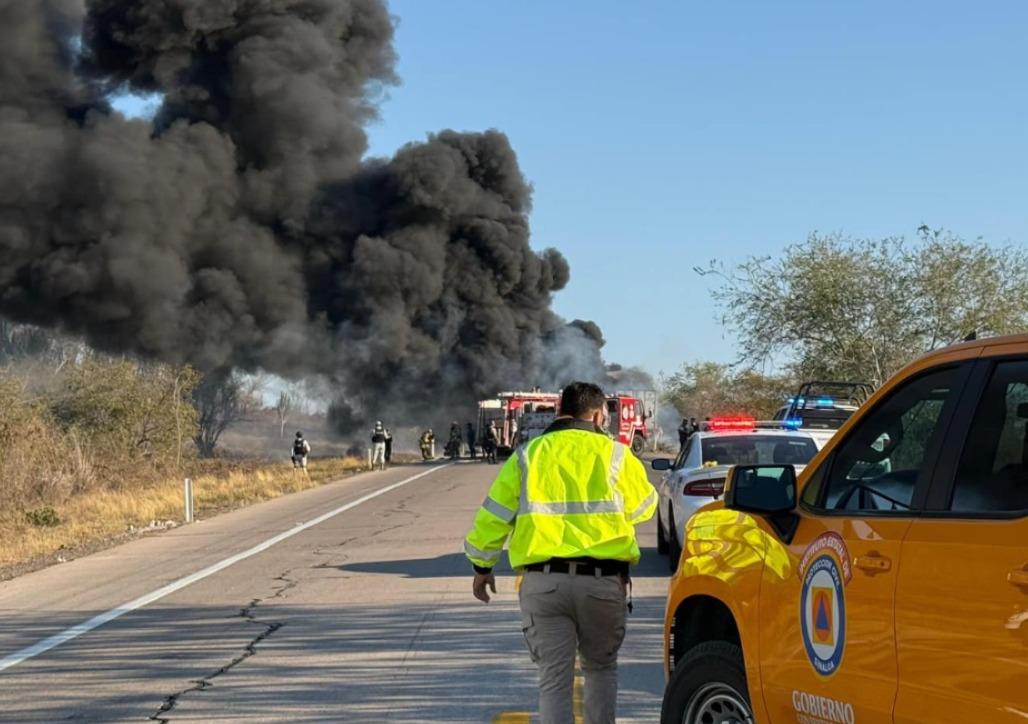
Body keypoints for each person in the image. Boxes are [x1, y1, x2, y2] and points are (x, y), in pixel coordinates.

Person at [464, 382, 657, 724]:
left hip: (543, 585)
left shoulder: (527, 454)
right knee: (600, 670)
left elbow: (493, 516)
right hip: (602, 583)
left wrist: (482, 565)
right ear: (599, 414)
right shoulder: (615, 453)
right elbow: (644, 506)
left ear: (559, 411)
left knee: (554, 681)